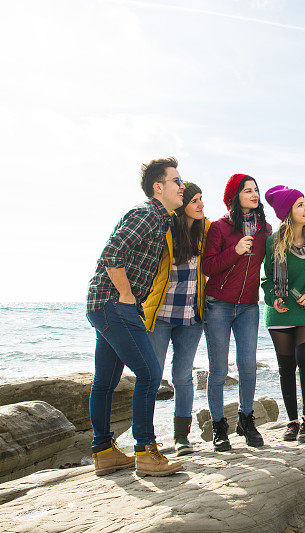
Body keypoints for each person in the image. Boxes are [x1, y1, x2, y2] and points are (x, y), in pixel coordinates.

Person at [86, 157, 184, 477]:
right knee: (150, 373)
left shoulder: (161, 220)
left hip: (104, 304)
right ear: (159, 187)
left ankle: (103, 452)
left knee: (105, 382)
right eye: (177, 181)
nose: (182, 187)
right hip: (114, 304)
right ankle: (145, 450)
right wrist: (127, 296)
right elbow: (112, 253)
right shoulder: (147, 215)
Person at [202, 174, 271, 451]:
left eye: (256, 190)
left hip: (249, 307)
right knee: (218, 370)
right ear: (234, 196)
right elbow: (208, 267)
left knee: (248, 366)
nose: (254, 195)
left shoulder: (264, 230)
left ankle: (246, 419)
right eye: (247, 190)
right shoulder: (220, 228)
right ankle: (220, 427)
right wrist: (236, 249)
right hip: (218, 304)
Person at [142, 182, 210, 456]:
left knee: (183, 377)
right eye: (195, 200)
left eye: (201, 199)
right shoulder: (166, 227)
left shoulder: (206, 230)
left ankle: (181, 438)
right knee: (152, 376)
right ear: (183, 205)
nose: (201, 205)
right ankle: (146, 438)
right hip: (160, 315)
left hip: (191, 317)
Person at [262, 186, 305, 444]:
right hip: (281, 312)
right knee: (286, 366)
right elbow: (267, 278)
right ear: (288, 212)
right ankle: (292, 422)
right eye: (300, 204)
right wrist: (274, 298)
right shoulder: (273, 242)